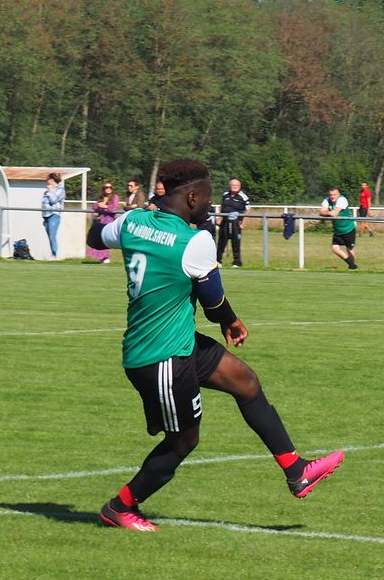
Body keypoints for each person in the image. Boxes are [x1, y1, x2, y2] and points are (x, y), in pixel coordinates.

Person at [89, 157, 343, 531]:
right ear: (192, 197)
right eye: (207, 197)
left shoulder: (132, 222)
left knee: (246, 382)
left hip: (176, 343)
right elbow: (212, 303)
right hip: (162, 356)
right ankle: (120, 507)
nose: (211, 204)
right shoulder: (195, 240)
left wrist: (120, 215)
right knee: (182, 443)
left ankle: (297, 470)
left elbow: (96, 237)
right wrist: (232, 321)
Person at [319, 186, 358, 270]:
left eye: (334, 194)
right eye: (331, 195)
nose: (332, 196)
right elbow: (321, 212)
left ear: (338, 194)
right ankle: (351, 264)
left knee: (349, 249)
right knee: (335, 248)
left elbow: (335, 213)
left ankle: (352, 265)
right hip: (337, 230)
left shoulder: (342, 200)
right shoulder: (326, 200)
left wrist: (327, 212)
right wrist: (329, 213)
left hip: (348, 228)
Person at [216, 177, 248, 267]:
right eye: (233, 185)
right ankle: (218, 261)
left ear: (240, 186)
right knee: (221, 242)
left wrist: (243, 223)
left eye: (236, 185)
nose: (234, 187)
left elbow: (248, 210)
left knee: (236, 243)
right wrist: (219, 218)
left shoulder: (243, 197)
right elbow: (222, 206)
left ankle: (237, 262)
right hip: (225, 222)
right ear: (229, 186)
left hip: (236, 223)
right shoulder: (225, 195)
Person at [88, 183, 120, 262]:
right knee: (99, 238)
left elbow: (114, 208)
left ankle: (106, 257)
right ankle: (101, 257)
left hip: (109, 220)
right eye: (106, 187)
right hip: (101, 220)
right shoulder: (101, 197)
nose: (108, 189)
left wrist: (105, 206)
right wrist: (99, 206)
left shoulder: (115, 197)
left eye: (110, 187)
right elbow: (94, 206)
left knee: (106, 238)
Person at [40, 172, 65, 258]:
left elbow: (53, 200)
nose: (47, 181)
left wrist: (50, 191)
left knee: (52, 236)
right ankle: (52, 253)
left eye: (48, 179)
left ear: (52, 180)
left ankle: (54, 255)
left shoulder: (60, 190)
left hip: (54, 215)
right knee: (50, 236)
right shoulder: (48, 190)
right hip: (46, 216)